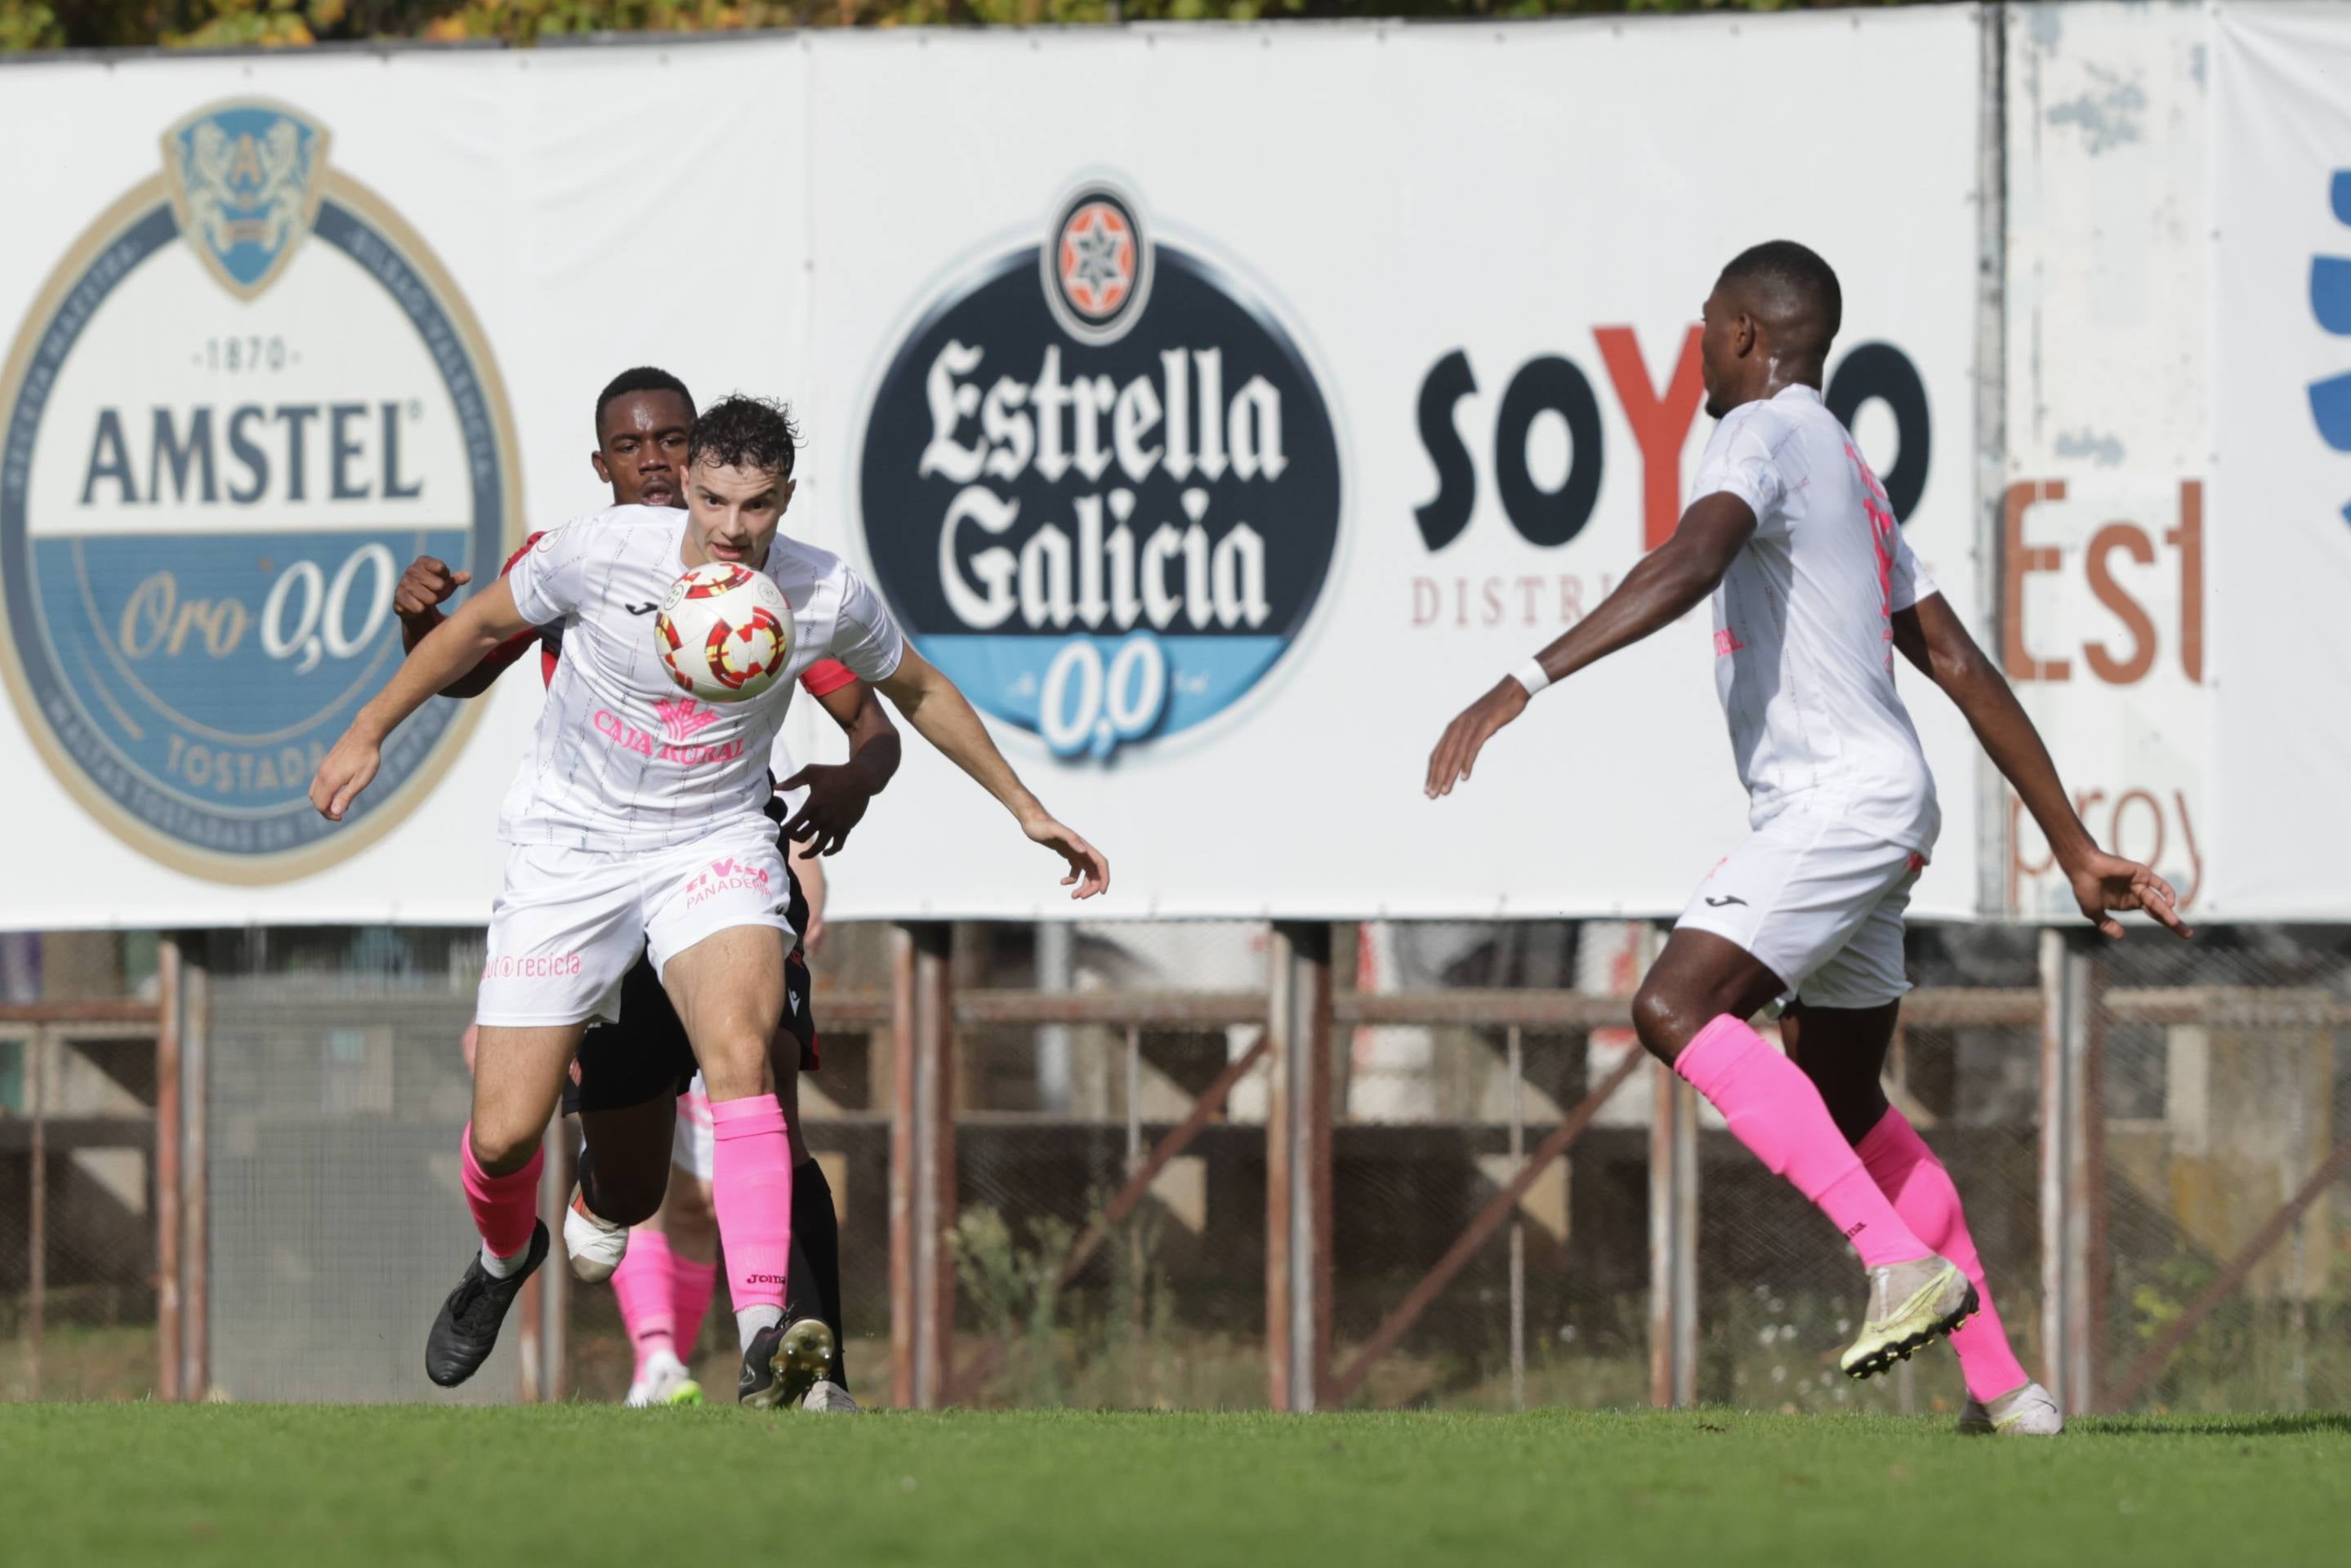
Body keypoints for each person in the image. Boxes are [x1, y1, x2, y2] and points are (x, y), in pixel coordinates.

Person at [1425, 240, 2188, 1436]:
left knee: (1671, 1011)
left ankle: (1895, 1262)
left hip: (1839, 806)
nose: (1691, 348)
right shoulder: (1848, 466)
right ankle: (2008, 1395)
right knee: (1839, 1096)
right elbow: (1955, 661)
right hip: (1885, 811)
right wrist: (2071, 840)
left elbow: (1692, 559)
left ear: (1742, 334)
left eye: (1700, 325)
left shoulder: (1762, 433)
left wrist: (1524, 677)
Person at [315, 393, 1109, 1405]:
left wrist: (1026, 809)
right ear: (687, 485)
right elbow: (475, 626)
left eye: (760, 506)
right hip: (572, 849)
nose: (735, 529)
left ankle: (767, 1332)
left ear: (785, 497)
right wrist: (368, 728)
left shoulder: (820, 593)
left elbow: (915, 693)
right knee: (508, 1134)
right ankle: (502, 1257)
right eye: (718, 501)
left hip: (713, 845)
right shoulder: (600, 551)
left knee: (747, 1056)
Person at [404, 367, 886, 1410]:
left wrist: (862, 766)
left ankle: (801, 1371)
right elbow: (469, 660)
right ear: (602, 467)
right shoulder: (577, 561)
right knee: (617, 1182)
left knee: (762, 1090)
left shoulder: (752, 585)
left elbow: (871, 707)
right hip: (593, 879)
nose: (658, 460)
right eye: (634, 447)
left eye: (675, 439)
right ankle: (559, 1228)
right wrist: (415, 630)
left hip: (718, 873)